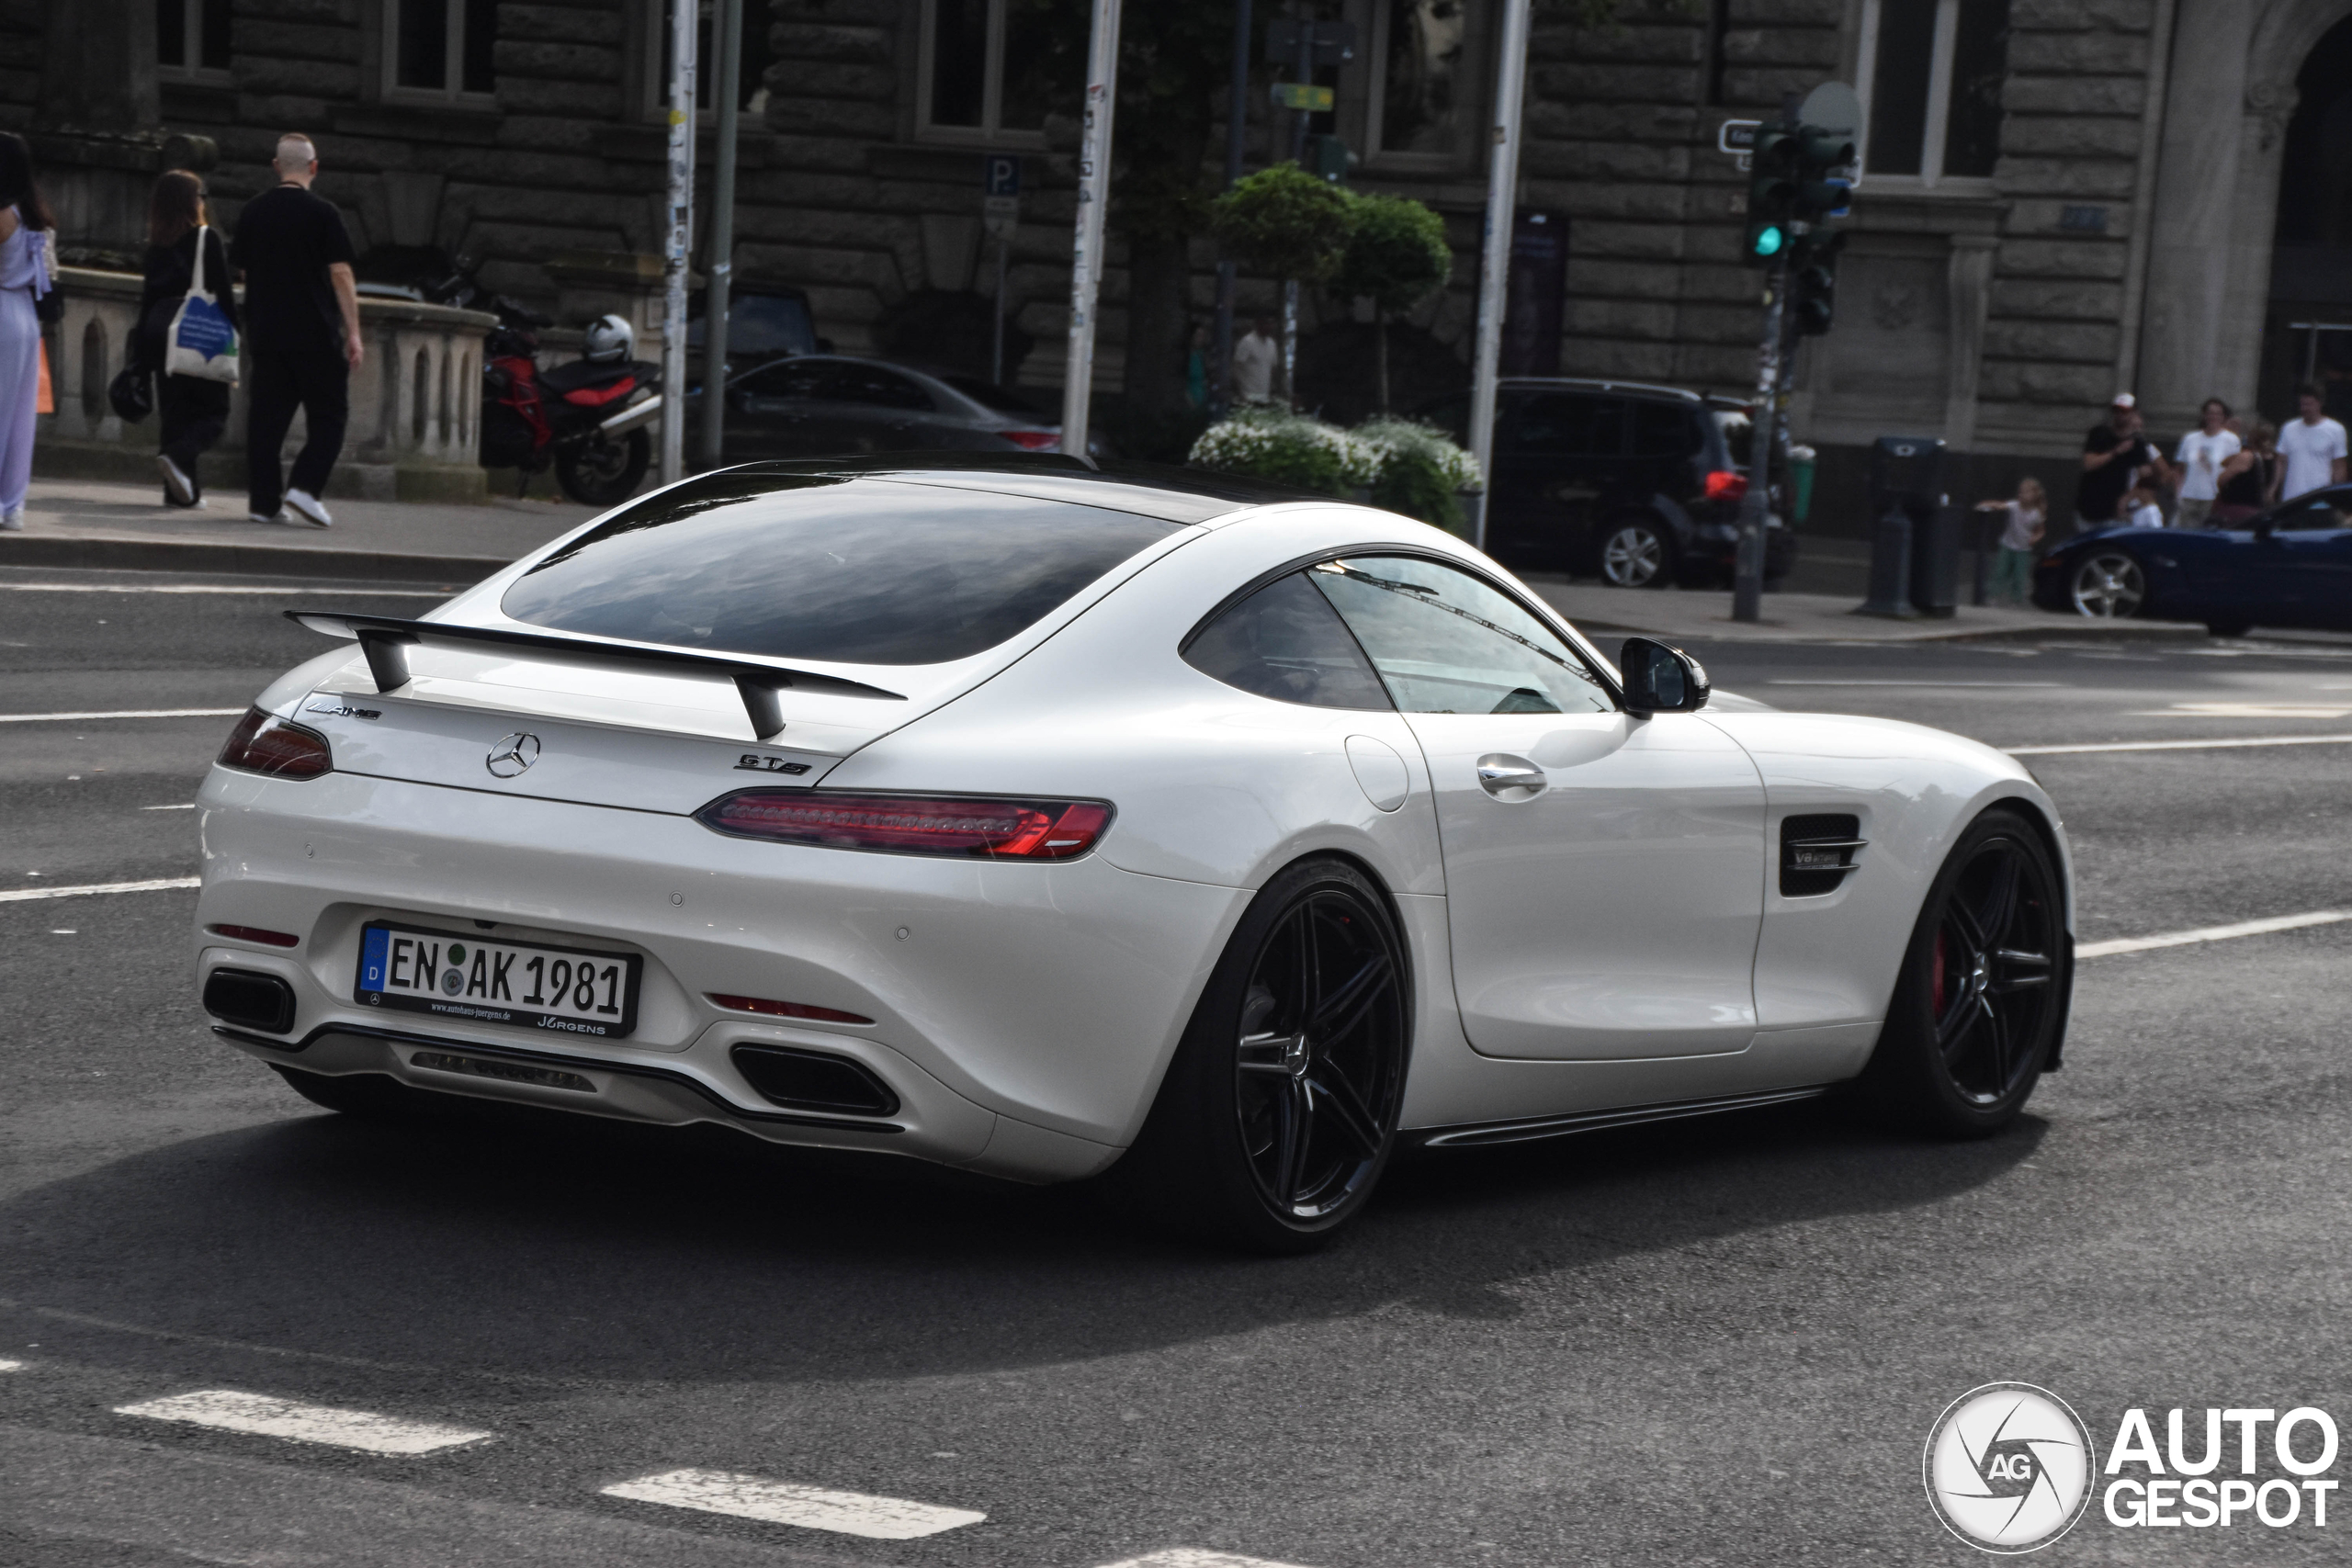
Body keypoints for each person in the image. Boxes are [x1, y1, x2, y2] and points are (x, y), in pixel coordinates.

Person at [230, 133, 361, 527]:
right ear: (314, 168)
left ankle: (263, 502)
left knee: (266, 422)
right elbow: (340, 273)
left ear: (276, 166)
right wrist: (353, 331)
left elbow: (243, 268)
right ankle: (305, 486)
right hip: (314, 330)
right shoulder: (324, 214)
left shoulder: (253, 211)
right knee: (330, 416)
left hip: (267, 331)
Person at [137, 170, 239, 510]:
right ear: (190, 202)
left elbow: (147, 303)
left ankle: (182, 493)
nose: (203, 201)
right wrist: (233, 338)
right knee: (214, 413)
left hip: (161, 337)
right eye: (201, 195)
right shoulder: (205, 239)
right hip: (200, 334)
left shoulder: (156, 246)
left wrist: (140, 356)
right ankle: (177, 458)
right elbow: (223, 293)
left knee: (176, 414)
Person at [0, 131, 55, 532]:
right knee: (19, 416)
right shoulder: (33, 212)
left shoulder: (3, 213)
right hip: (23, 312)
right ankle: (12, 503)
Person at [2075, 392, 2161, 534]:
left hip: (2113, 512)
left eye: (2124, 411)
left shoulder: (2137, 443)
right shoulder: (2099, 434)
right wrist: (2116, 452)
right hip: (2088, 508)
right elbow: (2088, 464)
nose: (2119, 414)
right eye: (2116, 410)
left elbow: (2146, 479)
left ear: (2134, 413)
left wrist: (2127, 498)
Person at [1973, 476, 2045, 604]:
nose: (2021, 495)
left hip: (2023, 549)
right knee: (2001, 571)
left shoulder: (2036, 514)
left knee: (2019, 576)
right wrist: (1986, 504)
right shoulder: (2014, 506)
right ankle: (1993, 595)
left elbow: (2041, 531)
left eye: (2026, 492)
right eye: (2020, 492)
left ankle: (2016, 599)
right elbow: (2000, 505)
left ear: (2034, 496)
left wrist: (2035, 538)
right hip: (2007, 545)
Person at [2169, 397, 2239, 530]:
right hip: (2188, 497)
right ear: (2204, 415)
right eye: (2210, 413)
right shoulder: (2190, 438)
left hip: (2213, 498)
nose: (2213, 417)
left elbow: (2234, 469)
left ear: (2223, 416)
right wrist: (2178, 492)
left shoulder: (2230, 440)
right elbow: (2180, 469)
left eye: (2217, 413)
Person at [2274, 382, 2347, 502]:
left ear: (2320, 404)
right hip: (2291, 498)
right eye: (2302, 404)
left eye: (2309, 404)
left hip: (2319, 497)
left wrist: (2336, 495)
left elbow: (2339, 466)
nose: (2304, 408)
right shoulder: (2289, 428)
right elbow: (2281, 461)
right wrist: (2275, 487)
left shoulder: (2336, 430)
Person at [2212, 420, 2277, 525]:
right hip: (2258, 509)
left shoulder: (2247, 457)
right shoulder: (2273, 459)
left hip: (2237, 509)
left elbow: (2222, 479)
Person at [1232, 313, 1278, 406]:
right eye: (1266, 323)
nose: (1269, 327)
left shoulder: (1272, 344)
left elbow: (1272, 367)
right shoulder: (1247, 341)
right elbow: (1236, 367)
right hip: (1248, 396)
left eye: (1271, 324)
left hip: (1264, 396)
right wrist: (1241, 392)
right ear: (1259, 324)